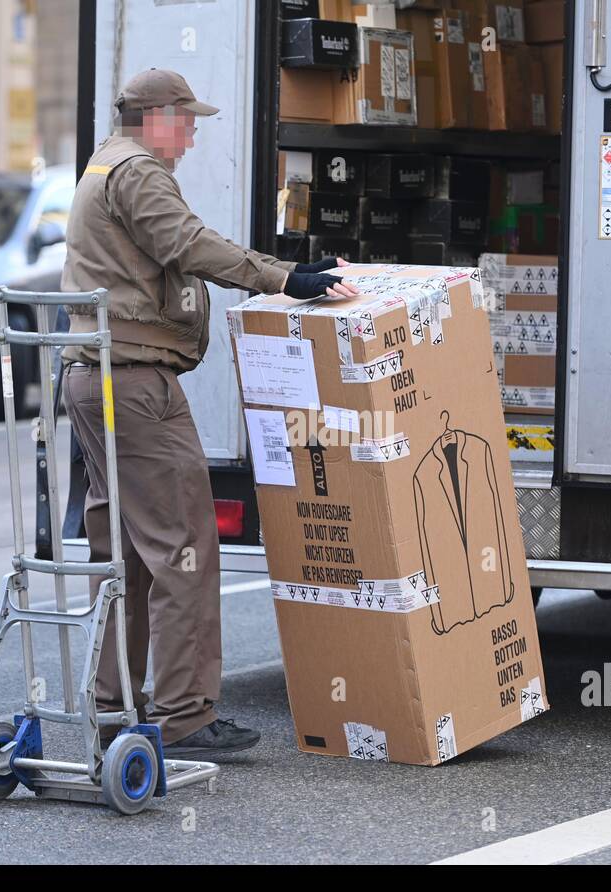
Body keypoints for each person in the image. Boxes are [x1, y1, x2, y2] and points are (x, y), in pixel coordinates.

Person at [59, 68, 359, 760]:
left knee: (124, 554)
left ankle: (115, 706)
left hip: (97, 381)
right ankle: (186, 715)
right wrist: (287, 278)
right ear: (157, 117)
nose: (192, 136)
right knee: (185, 548)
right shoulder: (137, 173)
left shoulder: (102, 165)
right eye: (187, 121)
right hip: (136, 385)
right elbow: (187, 244)